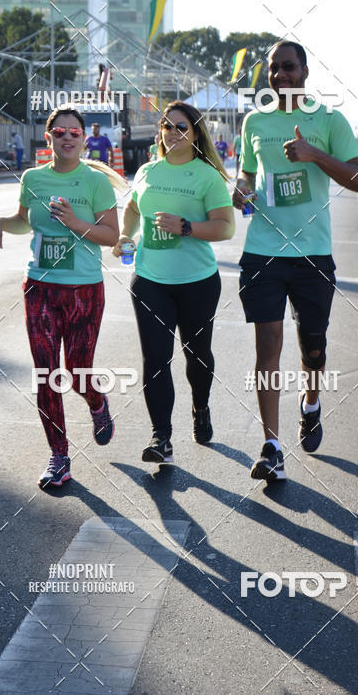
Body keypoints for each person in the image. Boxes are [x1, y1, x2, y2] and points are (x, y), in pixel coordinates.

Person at [233, 41, 358, 481]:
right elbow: (247, 173)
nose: (279, 76)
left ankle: (310, 401)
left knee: (313, 348)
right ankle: (271, 445)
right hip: (263, 252)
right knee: (267, 346)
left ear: (306, 71)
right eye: (273, 69)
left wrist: (314, 154)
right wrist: (242, 189)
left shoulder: (329, 120)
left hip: (312, 254)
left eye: (288, 67)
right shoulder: (255, 120)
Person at [0, 106, 125, 489]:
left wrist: (75, 223)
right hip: (41, 288)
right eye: (60, 132)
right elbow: (24, 220)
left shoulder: (94, 181)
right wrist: (2, 223)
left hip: (83, 289)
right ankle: (59, 457)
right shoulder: (33, 178)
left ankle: (97, 404)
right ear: (48, 138)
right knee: (46, 375)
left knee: (78, 370)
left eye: (74, 133)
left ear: (83, 139)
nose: (67, 138)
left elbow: (111, 235)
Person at [113, 101, 235, 463]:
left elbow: (225, 227)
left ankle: (201, 406)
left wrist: (186, 227)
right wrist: (124, 235)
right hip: (150, 280)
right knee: (155, 359)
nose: (172, 133)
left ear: (196, 133)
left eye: (181, 127)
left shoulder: (207, 175)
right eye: (167, 126)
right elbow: (134, 207)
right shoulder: (148, 171)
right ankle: (161, 438)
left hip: (197, 282)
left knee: (197, 357)